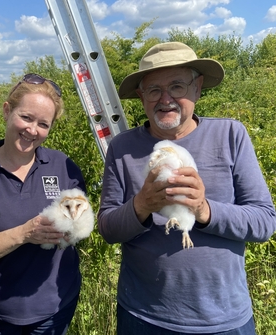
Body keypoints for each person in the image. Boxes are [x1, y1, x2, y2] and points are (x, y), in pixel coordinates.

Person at [97, 41, 276, 335]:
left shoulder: (231, 134)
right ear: (141, 96)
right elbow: (107, 229)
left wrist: (203, 210)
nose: (165, 99)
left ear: (198, 87)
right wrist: (142, 206)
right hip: (144, 316)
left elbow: (264, 222)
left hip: (224, 318)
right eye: (154, 90)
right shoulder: (122, 148)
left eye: (177, 86)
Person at [0, 73, 87, 334]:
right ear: (7, 111)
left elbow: (83, 223)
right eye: (26, 117)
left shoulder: (62, 166)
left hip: (55, 310)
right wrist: (25, 233)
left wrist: (72, 228)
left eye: (43, 124)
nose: (33, 130)